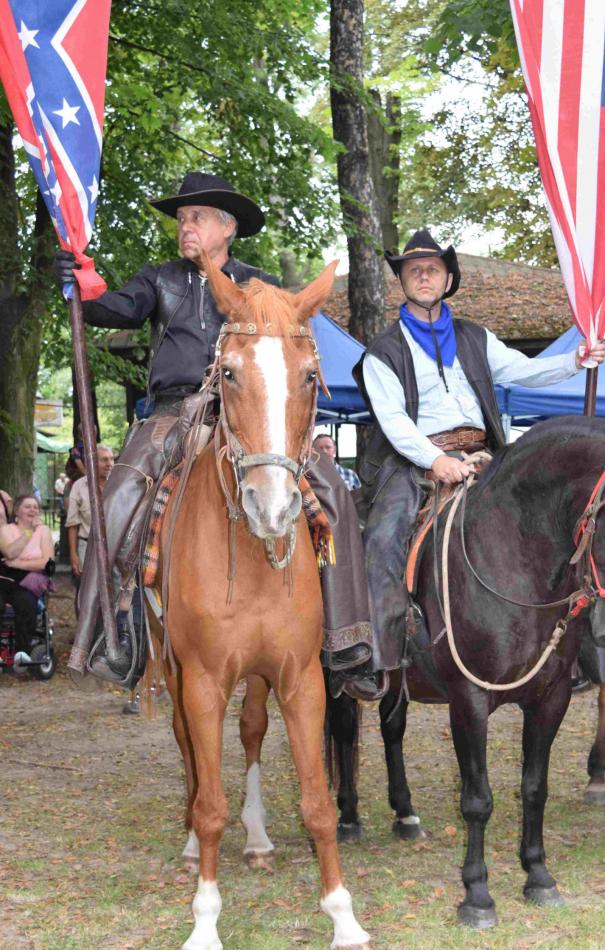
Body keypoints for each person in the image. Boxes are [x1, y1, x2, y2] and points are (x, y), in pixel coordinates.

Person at [54, 170, 374, 694]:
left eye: (197, 217)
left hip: (248, 413)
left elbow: (287, 357)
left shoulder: (258, 286)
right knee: (119, 496)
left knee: (333, 491)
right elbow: (117, 310)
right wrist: (79, 283)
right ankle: (111, 635)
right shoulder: (158, 279)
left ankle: (346, 640)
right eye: (182, 218)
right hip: (172, 415)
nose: (186, 226)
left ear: (227, 227)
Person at [351, 230, 605, 685]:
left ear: (449, 279)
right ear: (402, 282)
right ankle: (380, 655)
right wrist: (435, 460)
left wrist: (576, 359)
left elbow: (526, 371)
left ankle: (582, 652)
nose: (423, 276)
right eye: (414, 270)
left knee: (558, 519)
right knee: (383, 537)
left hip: (486, 453)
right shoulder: (382, 351)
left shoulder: (476, 337)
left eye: (432, 269)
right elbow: (393, 421)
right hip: (413, 461)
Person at [0, 494, 54, 672]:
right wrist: (29, 532)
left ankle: (22, 652)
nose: (33, 510)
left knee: (26, 604)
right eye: (28, 506)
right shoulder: (6, 530)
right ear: (16, 511)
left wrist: (17, 563)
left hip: (28, 580)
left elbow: (47, 563)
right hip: (5, 578)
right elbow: (9, 552)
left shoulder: (44, 531)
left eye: (35, 507)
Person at [65, 444, 114, 595]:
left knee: (113, 593)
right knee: (86, 593)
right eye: (104, 460)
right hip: (87, 547)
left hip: (114, 546)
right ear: (92, 463)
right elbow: (72, 524)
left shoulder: (119, 484)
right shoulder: (79, 487)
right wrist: (73, 555)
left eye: (111, 459)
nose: (109, 464)